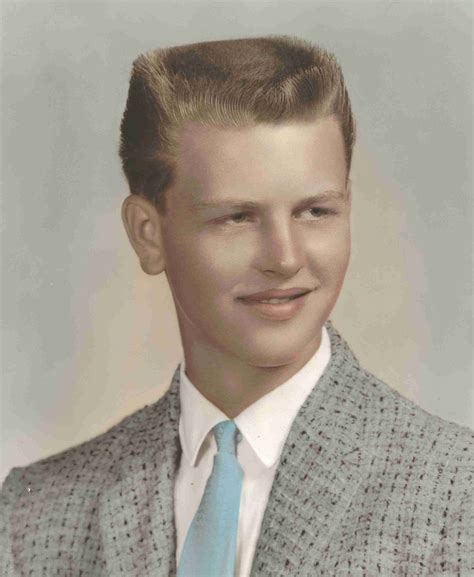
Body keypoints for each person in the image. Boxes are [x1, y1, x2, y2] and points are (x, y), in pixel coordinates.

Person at [0, 35, 472, 577]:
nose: (285, 258)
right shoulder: (33, 521)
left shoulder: (457, 497)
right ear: (148, 234)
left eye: (315, 211)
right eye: (237, 217)